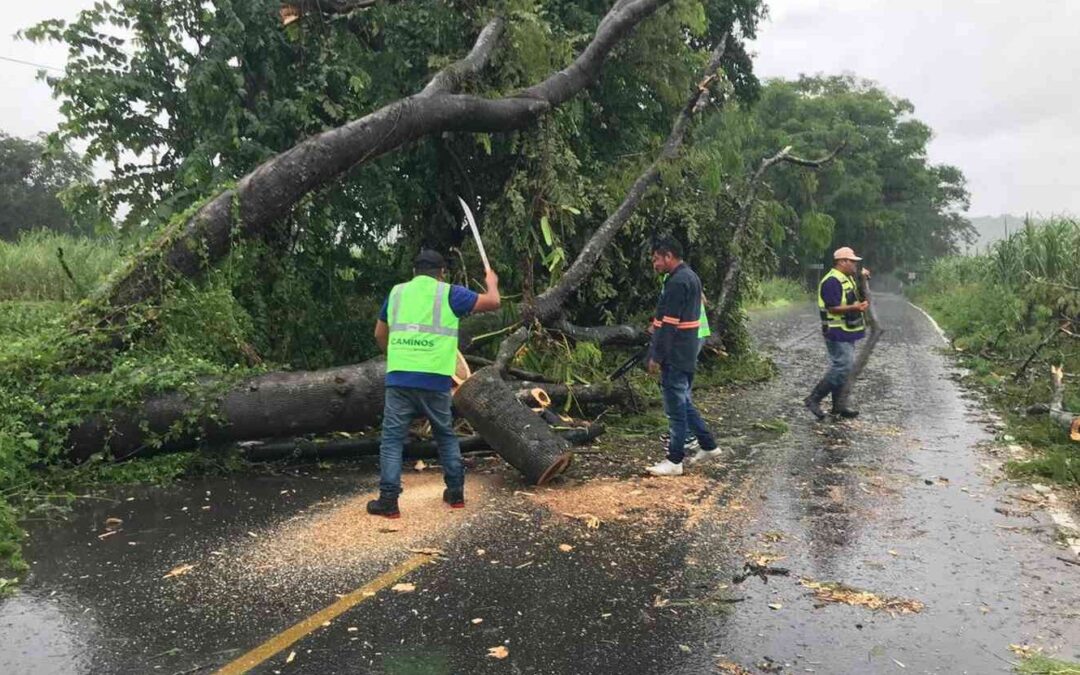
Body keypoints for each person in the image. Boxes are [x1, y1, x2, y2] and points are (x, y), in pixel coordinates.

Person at [367, 249, 501, 518]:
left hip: (400, 377)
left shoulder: (397, 293)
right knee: (445, 436)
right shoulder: (449, 293)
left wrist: (393, 355)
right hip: (436, 379)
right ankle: (455, 494)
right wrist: (491, 282)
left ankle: (389, 501)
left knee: (392, 441)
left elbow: (380, 333)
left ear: (414, 272)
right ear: (441, 273)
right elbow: (494, 302)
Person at [644, 236, 721, 477]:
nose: (655, 264)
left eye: (657, 259)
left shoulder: (677, 281)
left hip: (676, 353)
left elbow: (669, 324)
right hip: (687, 351)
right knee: (684, 403)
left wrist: (656, 356)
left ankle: (675, 460)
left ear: (669, 256)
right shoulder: (691, 276)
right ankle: (709, 445)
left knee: (675, 408)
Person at [804, 246, 870, 420]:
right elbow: (832, 308)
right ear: (842, 262)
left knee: (845, 369)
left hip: (847, 331)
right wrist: (855, 307)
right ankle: (814, 399)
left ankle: (838, 406)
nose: (855, 265)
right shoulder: (831, 281)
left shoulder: (847, 278)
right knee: (843, 366)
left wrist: (863, 280)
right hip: (836, 330)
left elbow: (860, 298)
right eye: (852, 261)